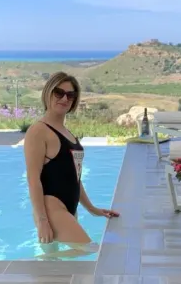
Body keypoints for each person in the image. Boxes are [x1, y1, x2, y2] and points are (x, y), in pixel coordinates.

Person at [24, 72, 119, 258]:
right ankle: (28, 264)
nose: (64, 98)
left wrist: (92, 209)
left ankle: (41, 267)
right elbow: (33, 179)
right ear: (48, 93)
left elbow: (75, 177)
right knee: (91, 248)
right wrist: (42, 220)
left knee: (53, 264)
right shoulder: (38, 131)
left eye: (70, 95)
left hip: (69, 208)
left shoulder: (67, 133)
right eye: (59, 93)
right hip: (51, 208)